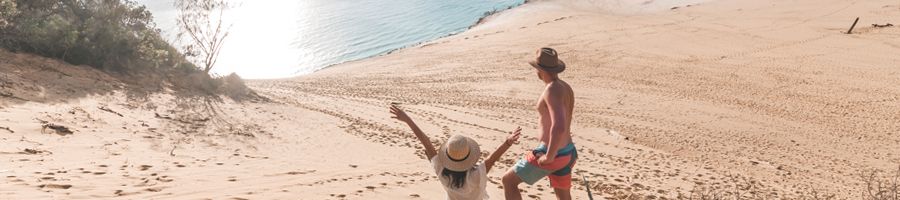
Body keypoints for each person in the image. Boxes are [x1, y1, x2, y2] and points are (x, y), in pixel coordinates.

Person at [390, 105, 521, 200]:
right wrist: (508, 142)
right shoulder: (476, 175)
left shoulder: (442, 172)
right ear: (469, 156)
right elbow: (493, 158)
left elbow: (426, 143)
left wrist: (408, 120)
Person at [502, 47, 577, 200]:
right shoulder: (564, 87)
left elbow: (559, 126)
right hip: (568, 151)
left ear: (539, 68)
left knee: (508, 181)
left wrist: (549, 156)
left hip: (553, 153)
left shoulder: (551, 89)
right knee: (563, 196)